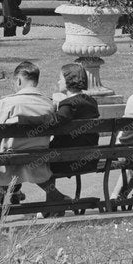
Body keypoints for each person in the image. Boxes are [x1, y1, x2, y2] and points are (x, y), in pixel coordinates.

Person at [0, 61, 57, 207]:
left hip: (8, 161)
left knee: (0, 153)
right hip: (39, 160)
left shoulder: (8, 103)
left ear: (19, 80)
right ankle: (14, 193)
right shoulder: (49, 104)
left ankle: (0, 201)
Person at [44, 63, 101, 205]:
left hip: (65, 160)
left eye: (60, 79)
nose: (58, 82)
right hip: (89, 159)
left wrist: (54, 107)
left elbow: (52, 124)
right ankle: (52, 205)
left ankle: (55, 201)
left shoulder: (69, 105)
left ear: (69, 80)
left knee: (32, 163)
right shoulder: (92, 102)